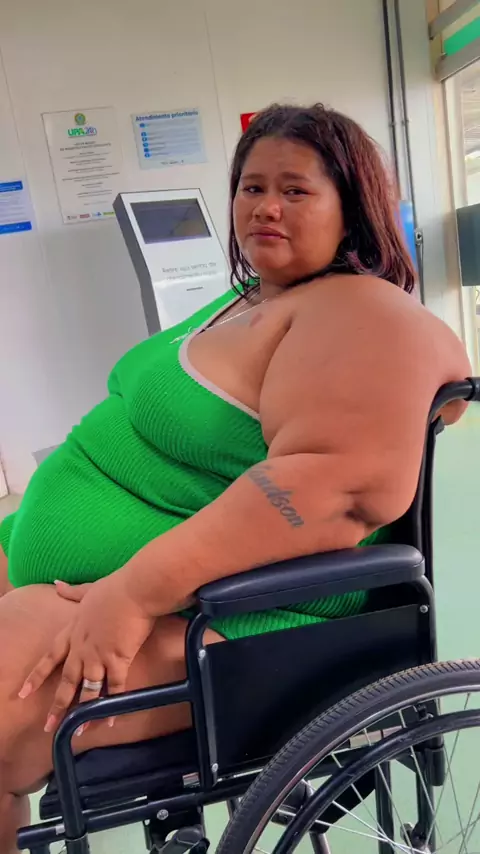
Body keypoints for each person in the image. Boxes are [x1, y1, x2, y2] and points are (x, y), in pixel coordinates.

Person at [0, 103, 471, 854]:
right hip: (119, 584)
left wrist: (134, 592)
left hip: (238, 621)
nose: (265, 207)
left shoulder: (366, 315)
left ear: (353, 208)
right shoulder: (257, 297)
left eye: (295, 189)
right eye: (252, 187)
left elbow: (335, 493)